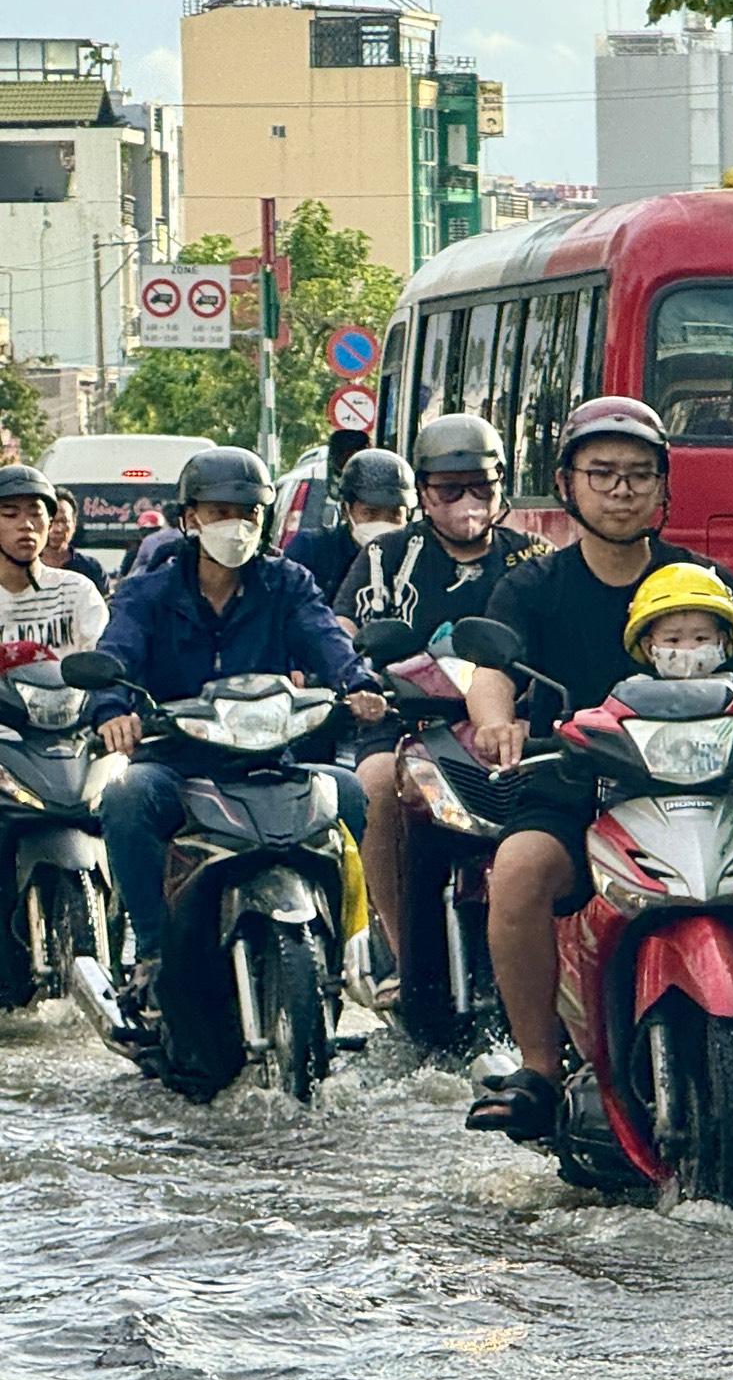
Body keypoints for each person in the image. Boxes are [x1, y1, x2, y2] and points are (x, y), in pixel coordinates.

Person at [460, 397, 733, 1139]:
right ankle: (539, 1068)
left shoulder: (709, 585)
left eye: (639, 474)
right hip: (575, 790)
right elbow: (491, 672)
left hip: (711, 792)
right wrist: (497, 722)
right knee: (515, 869)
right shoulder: (532, 588)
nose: (621, 489)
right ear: (567, 483)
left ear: (664, 487)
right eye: (602, 473)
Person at [90, 448, 386, 1003]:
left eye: (249, 512)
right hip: (178, 765)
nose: (237, 523)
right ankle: (154, 949)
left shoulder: (288, 582)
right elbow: (116, 656)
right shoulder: (149, 592)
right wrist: (113, 711)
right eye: (221, 510)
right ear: (190, 517)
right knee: (125, 796)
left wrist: (359, 684)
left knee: (348, 791)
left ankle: (350, 944)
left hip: (270, 764)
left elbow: (328, 639)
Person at [335, 424, 550, 991]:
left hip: (515, 730)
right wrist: (356, 685)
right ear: (424, 493)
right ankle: (401, 948)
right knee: (374, 785)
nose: (466, 503)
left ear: (502, 487)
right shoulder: (385, 557)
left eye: (479, 487)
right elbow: (342, 634)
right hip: (405, 723)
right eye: (449, 490)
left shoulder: (534, 560)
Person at [281, 448, 413, 605]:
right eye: (370, 513)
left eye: (395, 515)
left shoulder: (420, 558)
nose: (383, 523)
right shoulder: (311, 551)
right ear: (346, 510)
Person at [0, 465, 107, 655]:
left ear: (49, 522)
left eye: (36, 514)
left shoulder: (77, 592)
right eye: (10, 514)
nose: (26, 525)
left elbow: (103, 655)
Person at [625, 561, 733, 680]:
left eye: (701, 638)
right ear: (649, 648)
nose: (688, 648)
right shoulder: (635, 690)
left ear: (722, 642)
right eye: (673, 640)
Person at [36, 490, 111, 596]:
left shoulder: (91, 568)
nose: (57, 529)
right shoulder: (25, 567)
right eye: (52, 521)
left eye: (63, 521)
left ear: (74, 524)